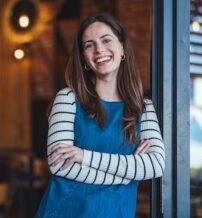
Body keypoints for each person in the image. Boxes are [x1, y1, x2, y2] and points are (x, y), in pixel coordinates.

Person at [36, 13, 165, 218]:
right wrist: (126, 174)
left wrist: (84, 156)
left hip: (116, 211)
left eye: (106, 40)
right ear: (83, 58)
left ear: (122, 48)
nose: (99, 50)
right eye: (89, 45)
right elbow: (59, 165)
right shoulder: (67, 99)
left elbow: (155, 165)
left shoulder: (143, 108)